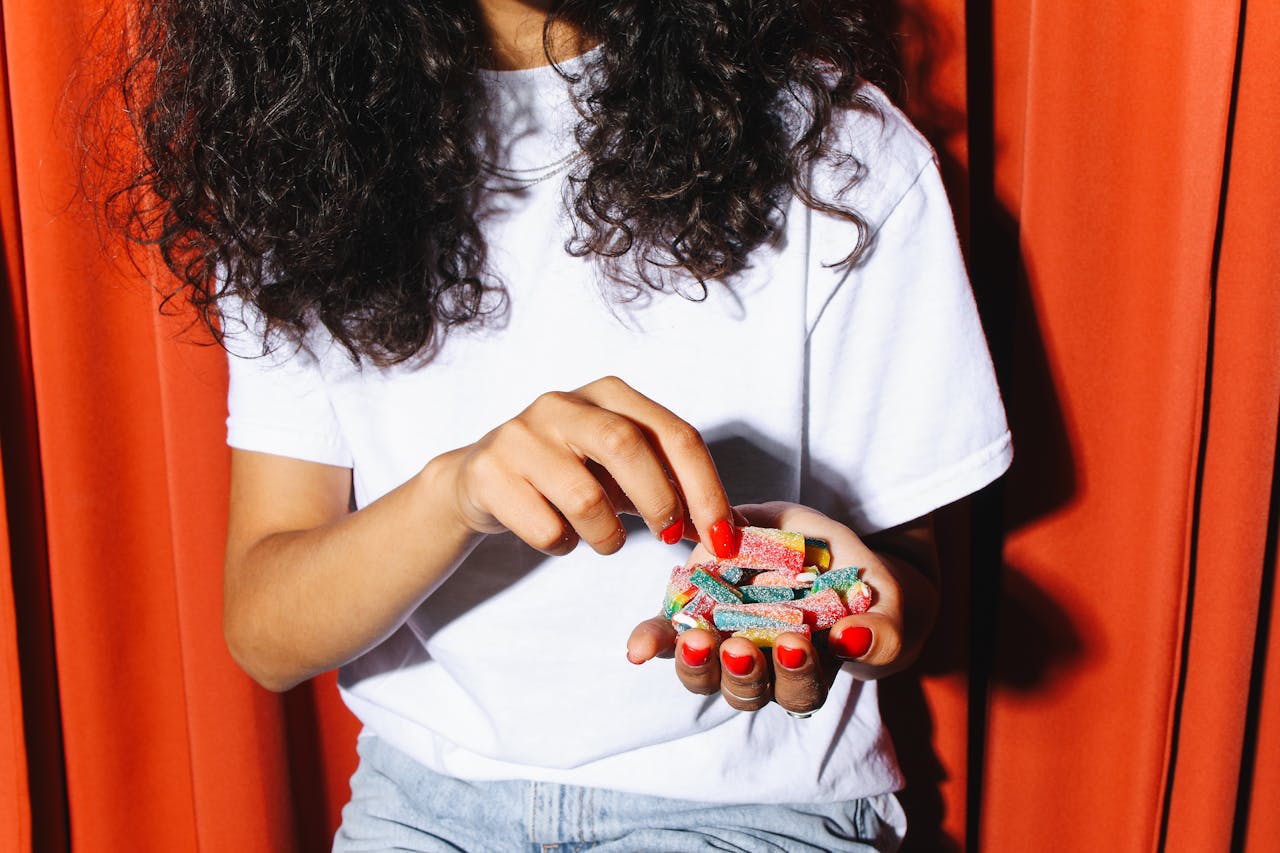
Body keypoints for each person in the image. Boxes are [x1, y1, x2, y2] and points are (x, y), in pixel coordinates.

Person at [108, 1, 1012, 849]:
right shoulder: (297, 164)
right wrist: (455, 495)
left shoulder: (840, 153)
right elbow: (265, 631)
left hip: (743, 810)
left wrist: (815, 593)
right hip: (419, 803)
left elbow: (908, 593)